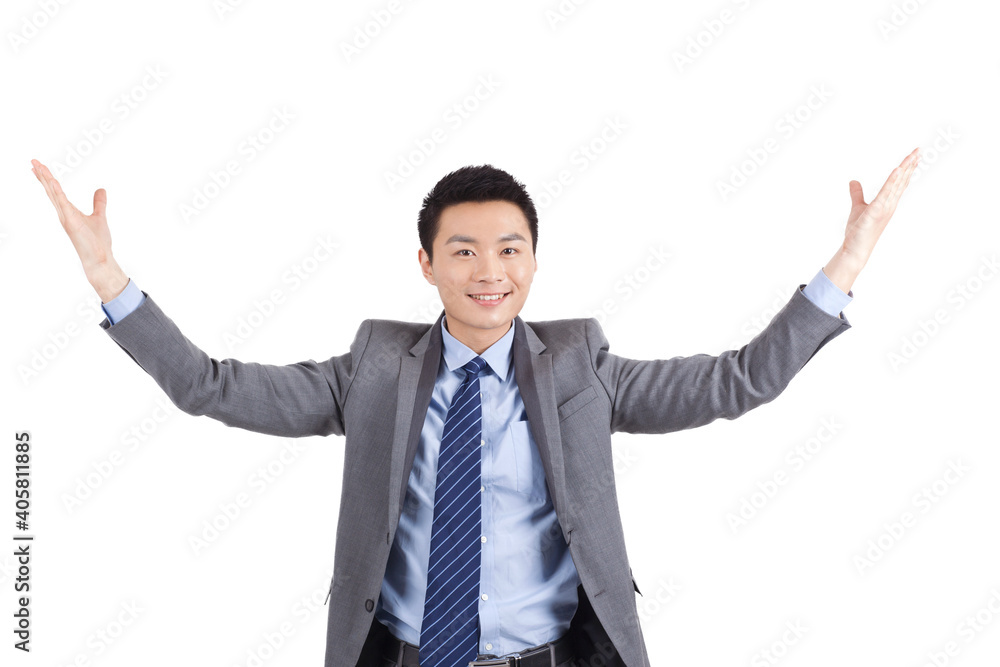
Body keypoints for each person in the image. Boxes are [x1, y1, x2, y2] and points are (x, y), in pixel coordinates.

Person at [32, 148, 920, 667]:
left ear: (534, 259)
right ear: (427, 263)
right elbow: (211, 386)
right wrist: (109, 276)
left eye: (508, 247)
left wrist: (848, 259)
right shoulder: (376, 366)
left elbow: (740, 379)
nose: (487, 270)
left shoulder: (584, 366)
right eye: (462, 249)